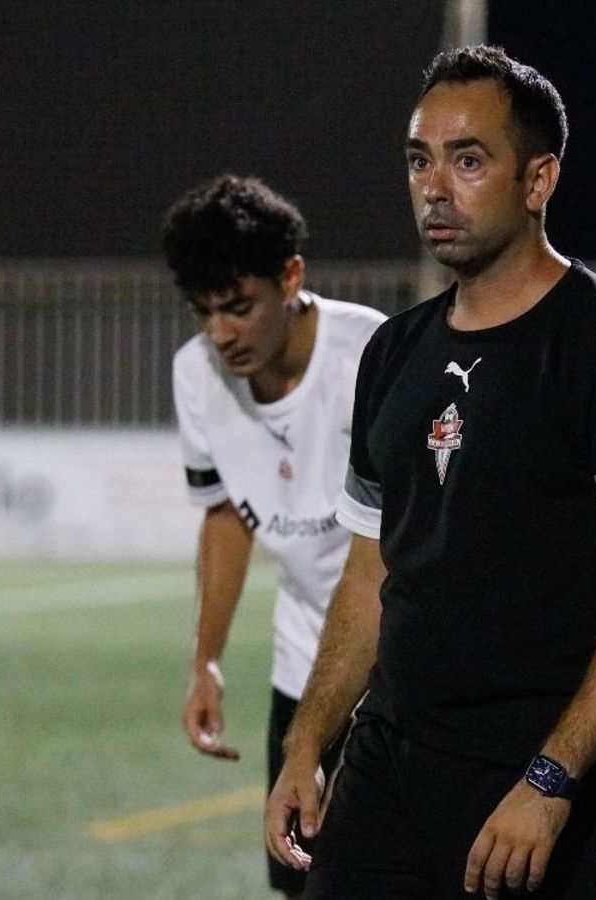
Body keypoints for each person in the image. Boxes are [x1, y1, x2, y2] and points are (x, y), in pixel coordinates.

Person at [263, 45, 596, 900]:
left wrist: (550, 782)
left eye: (468, 160)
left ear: (538, 180)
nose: (436, 186)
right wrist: (307, 744)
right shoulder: (395, 351)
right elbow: (369, 575)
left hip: (546, 789)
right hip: (388, 773)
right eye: (420, 160)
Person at [162, 173, 385, 900]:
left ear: (292, 275)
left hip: (399, 674)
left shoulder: (373, 357)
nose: (221, 333)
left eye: (238, 307)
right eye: (204, 313)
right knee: (304, 886)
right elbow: (224, 516)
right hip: (303, 672)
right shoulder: (196, 376)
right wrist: (207, 663)